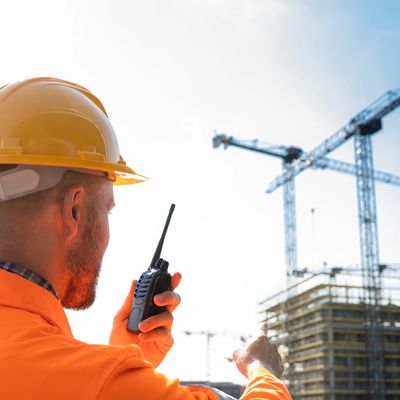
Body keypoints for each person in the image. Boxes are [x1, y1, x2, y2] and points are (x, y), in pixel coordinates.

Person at [0, 77, 292, 400]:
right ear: (73, 210)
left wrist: (124, 357)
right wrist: (261, 369)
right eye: (107, 210)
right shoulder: (97, 382)